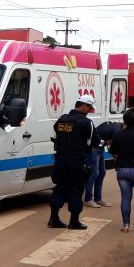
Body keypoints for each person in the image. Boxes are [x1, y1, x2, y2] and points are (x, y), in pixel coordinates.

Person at [48, 93, 98, 230]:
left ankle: (53, 219)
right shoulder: (88, 123)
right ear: (83, 106)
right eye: (89, 108)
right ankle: (74, 221)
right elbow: (94, 142)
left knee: (59, 187)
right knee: (76, 189)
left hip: (60, 160)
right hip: (77, 161)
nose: (90, 111)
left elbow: (53, 138)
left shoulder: (62, 119)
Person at [84, 118, 119, 208]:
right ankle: (88, 200)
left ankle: (98, 199)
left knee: (102, 173)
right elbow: (113, 149)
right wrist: (118, 162)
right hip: (93, 148)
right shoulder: (118, 130)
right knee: (94, 173)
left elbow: (109, 143)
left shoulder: (117, 126)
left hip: (99, 147)